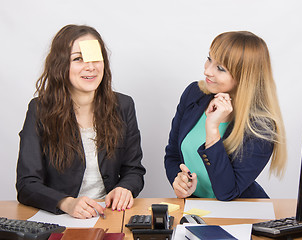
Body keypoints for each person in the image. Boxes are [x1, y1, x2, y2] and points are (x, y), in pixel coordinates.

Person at [16, 24, 146, 219]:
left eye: (96, 58)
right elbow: (27, 184)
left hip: (108, 215)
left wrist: (125, 188)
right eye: (78, 59)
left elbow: (134, 170)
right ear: (60, 65)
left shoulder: (123, 105)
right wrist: (66, 203)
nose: (91, 67)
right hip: (61, 216)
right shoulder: (40, 109)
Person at [164, 31, 287, 200]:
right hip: (197, 209)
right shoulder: (194, 93)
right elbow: (172, 155)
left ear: (245, 78)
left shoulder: (261, 127)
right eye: (209, 59)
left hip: (240, 213)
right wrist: (178, 181)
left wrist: (212, 129)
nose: (207, 71)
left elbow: (227, 192)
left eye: (220, 68)